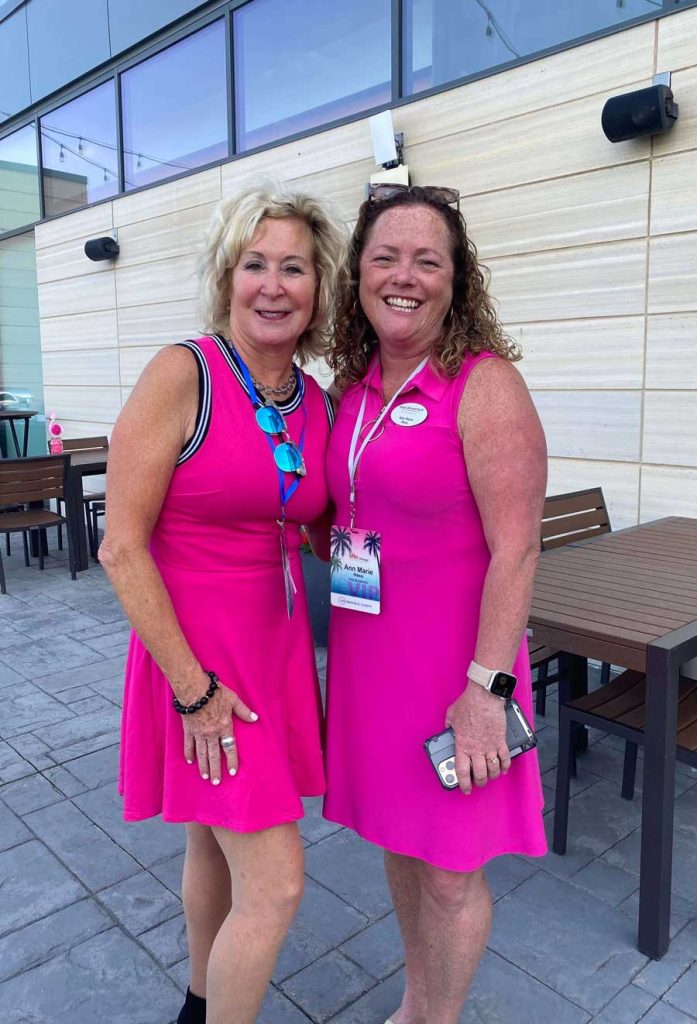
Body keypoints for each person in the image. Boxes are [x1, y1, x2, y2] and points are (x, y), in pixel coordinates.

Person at [99, 185, 345, 1024]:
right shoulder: (184, 373)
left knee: (212, 840)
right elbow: (121, 546)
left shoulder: (315, 402)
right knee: (276, 886)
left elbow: (324, 533)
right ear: (225, 277)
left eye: (294, 268)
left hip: (274, 653)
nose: (273, 285)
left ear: (318, 288)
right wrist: (193, 691)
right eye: (254, 264)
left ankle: (198, 1005)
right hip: (201, 663)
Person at [323, 184, 548, 1024]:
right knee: (399, 840)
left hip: (459, 674)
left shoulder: (483, 386)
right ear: (358, 273)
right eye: (385, 257)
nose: (403, 276)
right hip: (373, 665)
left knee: (451, 872)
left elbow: (516, 550)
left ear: (457, 279)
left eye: (427, 260)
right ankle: (415, 1005)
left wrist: (486, 692)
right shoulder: (353, 390)